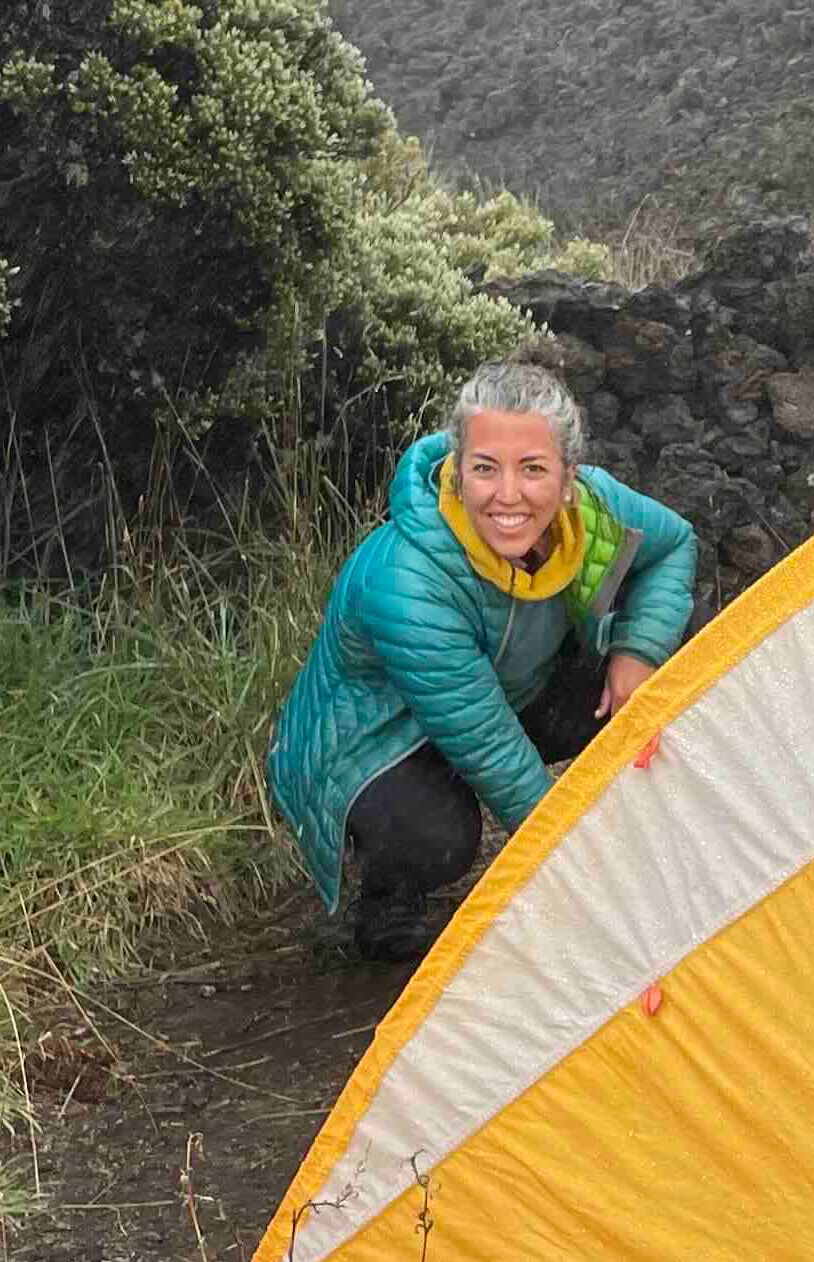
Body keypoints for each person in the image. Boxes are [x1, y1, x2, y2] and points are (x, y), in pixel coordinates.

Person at [270, 358, 696, 959]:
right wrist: (592, 877)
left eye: (533, 469)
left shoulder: (591, 506)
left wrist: (638, 653)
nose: (508, 495)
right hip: (381, 739)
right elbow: (490, 748)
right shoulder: (407, 580)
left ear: (568, 477)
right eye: (485, 468)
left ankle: (661, 818)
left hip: (510, 685)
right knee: (438, 835)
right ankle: (389, 897)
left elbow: (675, 544)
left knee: (686, 642)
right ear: (457, 471)